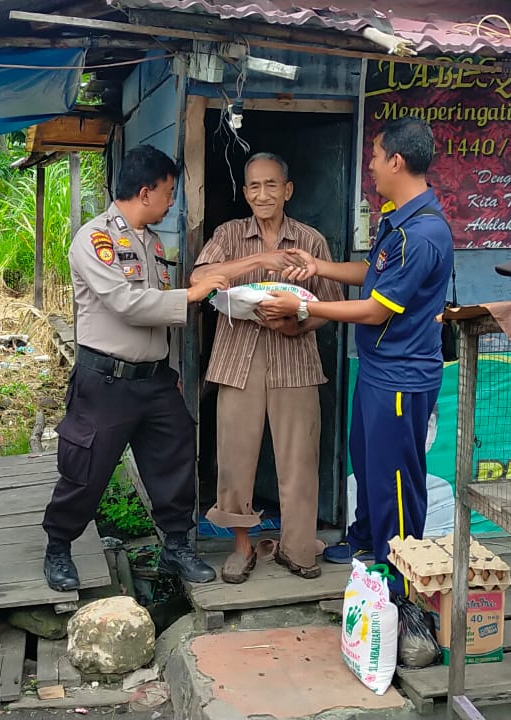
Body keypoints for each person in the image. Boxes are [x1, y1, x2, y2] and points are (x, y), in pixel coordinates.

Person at [260, 118, 454, 594]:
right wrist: (319, 267)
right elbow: (372, 273)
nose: (369, 165)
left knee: (397, 480)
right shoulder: (400, 220)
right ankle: (366, 540)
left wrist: (302, 304)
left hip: (402, 377)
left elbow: (373, 308)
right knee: (368, 465)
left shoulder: (423, 234)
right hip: (377, 370)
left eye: (374, 155)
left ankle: (399, 574)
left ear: (397, 161)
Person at [42, 145, 228, 591]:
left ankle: (176, 545)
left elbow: (156, 308)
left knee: (176, 453)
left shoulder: (151, 241)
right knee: (86, 469)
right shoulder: (95, 238)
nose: (170, 202)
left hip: (154, 379)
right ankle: (59, 547)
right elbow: (125, 304)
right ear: (146, 192)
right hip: (105, 380)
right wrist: (192, 295)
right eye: (167, 193)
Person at [190, 152, 343, 584]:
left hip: (295, 359)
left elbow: (330, 305)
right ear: (244, 192)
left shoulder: (310, 240)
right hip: (239, 358)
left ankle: (297, 549)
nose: (262, 194)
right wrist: (259, 262)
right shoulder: (229, 234)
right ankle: (241, 547)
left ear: (288, 190)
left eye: (272, 185)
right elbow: (199, 280)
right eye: (254, 186)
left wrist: (299, 326)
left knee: (299, 459)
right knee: (236, 458)